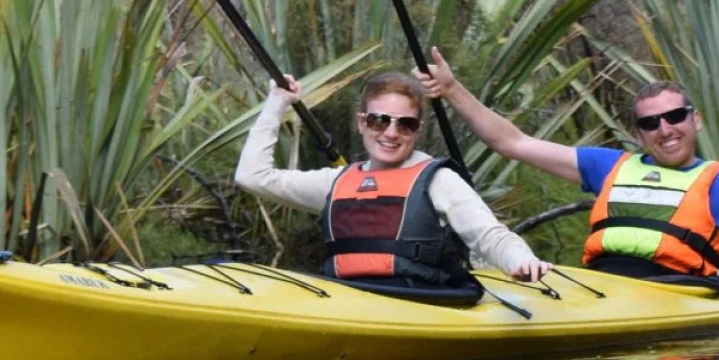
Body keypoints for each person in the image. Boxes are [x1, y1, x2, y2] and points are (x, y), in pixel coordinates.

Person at [414, 49, 719, 281]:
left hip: (677, 291)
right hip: (600, 286)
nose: (665, 129)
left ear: (695, 120)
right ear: (638, 133)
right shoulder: (607, 165)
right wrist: (452, 89)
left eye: (675, 117)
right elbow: (513, 143)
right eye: (651, 123)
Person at [234, 70, 551, 291]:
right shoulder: (336, 182)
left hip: (419, 301)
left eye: (405, 124)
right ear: (362, 123)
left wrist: (521, 261)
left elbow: (490, 237)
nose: (390, 133)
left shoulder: (439, 181)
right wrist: (276, 103)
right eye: (379, 120)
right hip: (347, 298)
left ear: (418, 129)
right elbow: (252, 177)